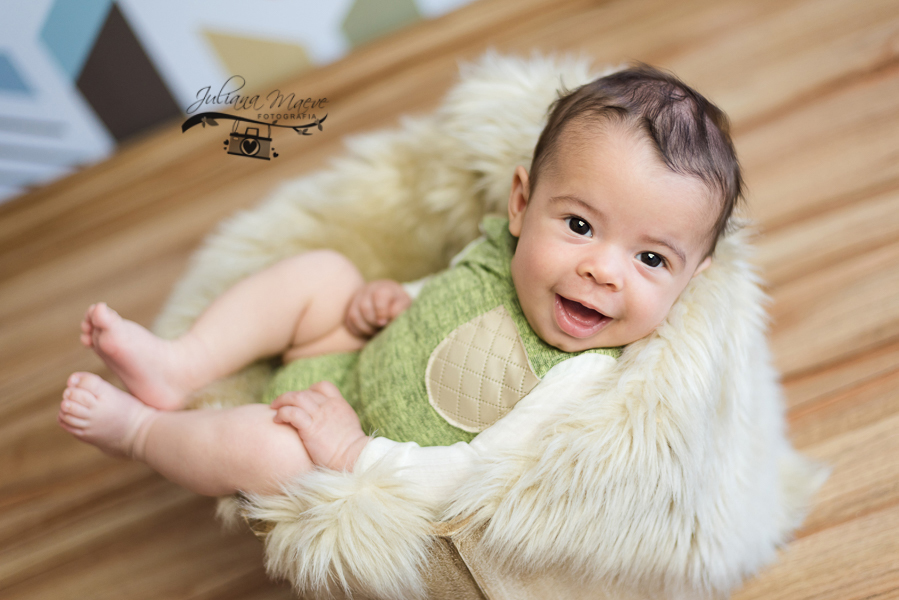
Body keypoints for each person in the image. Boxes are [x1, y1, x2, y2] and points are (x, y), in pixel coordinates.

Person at [57, 64, 742, 502]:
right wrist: (389, 302)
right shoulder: (504, 249)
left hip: (343, 458)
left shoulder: (585, 380)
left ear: (691, 278)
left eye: (651, 260)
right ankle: (181, 365)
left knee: (269, 454)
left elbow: (477, 478)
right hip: (350, 354)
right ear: (520, 205)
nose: (602, 270)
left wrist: (351, 452)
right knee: (324, 272)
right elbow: (451, 294)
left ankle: (142, 430)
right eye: (580, 226)